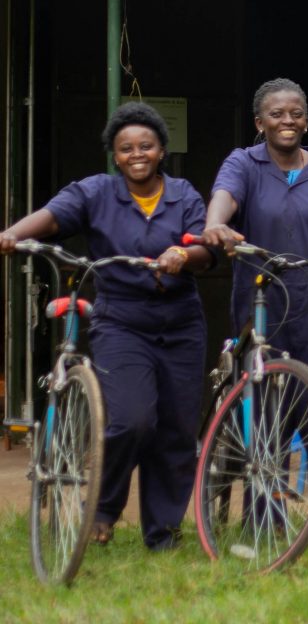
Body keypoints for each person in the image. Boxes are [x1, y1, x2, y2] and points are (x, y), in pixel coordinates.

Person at [0, 101, 212, 550]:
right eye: (126, 148)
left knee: (175, 432)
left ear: (161, 151)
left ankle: (162, 533)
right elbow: (54, 216)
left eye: (146, 146)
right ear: (114, 156)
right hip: (122, 322)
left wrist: (183, 255)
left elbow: (206, 252)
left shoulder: (184, 195)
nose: (137, 154)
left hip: (181, 324)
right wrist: (14, 234)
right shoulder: (95, 193)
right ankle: (105, 506)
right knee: (132, 421)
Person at [200, 77, 308, 528]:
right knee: (265, 408)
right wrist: (216, 223)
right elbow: (224, 197)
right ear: (260, 122)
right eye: (276, 114)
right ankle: (264, 518)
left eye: (295, 113)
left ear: (306, 121)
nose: (287, 121)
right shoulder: (245, 164)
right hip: (263, 305)